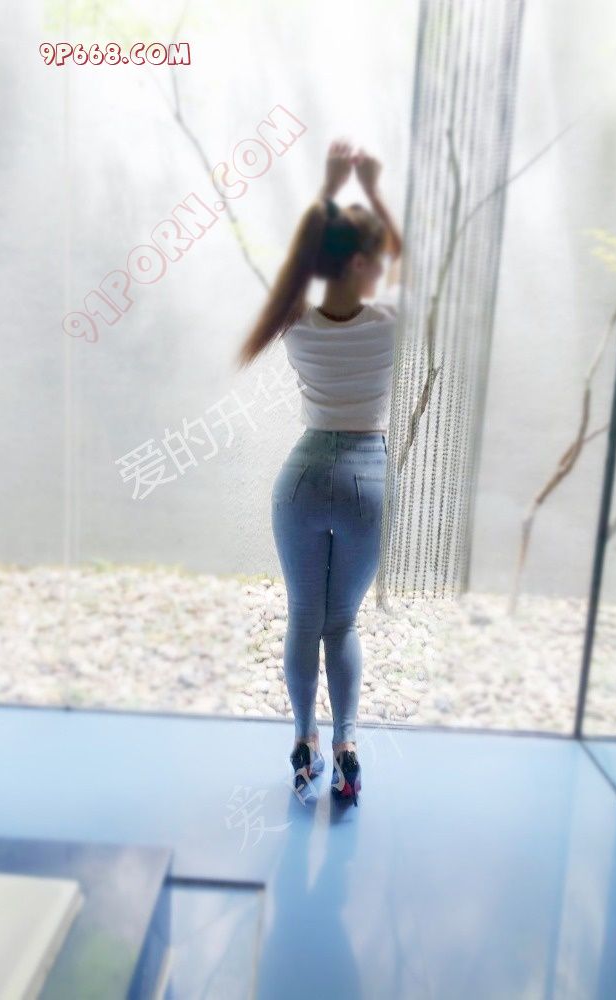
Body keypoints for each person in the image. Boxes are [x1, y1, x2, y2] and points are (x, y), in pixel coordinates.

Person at [235, 139, 409, 806]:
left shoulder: (294, 321)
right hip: (368, 478)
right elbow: (405, 259)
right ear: (362, 263)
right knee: (342, 624)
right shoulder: (391, 320)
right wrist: (375, 190)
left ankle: (303, 742)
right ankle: (346, 749)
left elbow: (295, 266)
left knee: (303, 619)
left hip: (302, 477)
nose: (384, 268)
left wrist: (331, 191)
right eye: (376, 260)